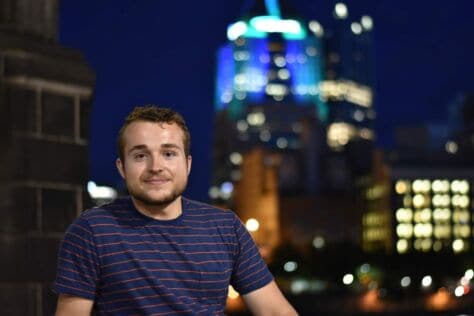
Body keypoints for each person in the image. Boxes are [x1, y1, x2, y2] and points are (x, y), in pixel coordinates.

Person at [54, 105, 298, 315]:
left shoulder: (225, 228)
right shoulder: (92, 231)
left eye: (169, 153)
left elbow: (276, 311)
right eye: (140, 155)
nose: (156, 167)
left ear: (187, 164)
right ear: (122, 168)